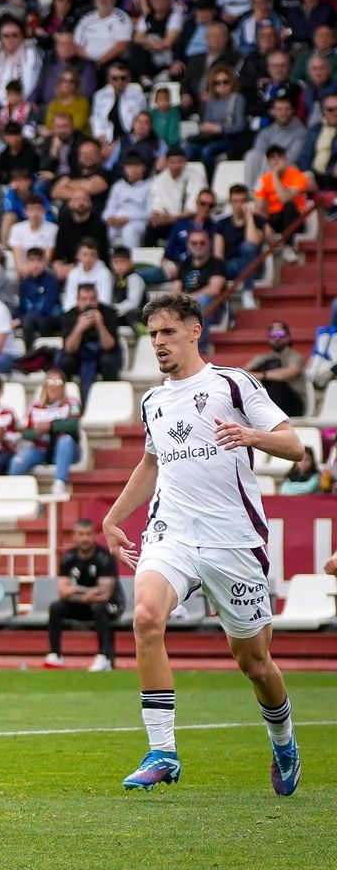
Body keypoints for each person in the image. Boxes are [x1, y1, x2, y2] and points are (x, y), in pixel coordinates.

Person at [101, 292, 306, 795]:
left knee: (254, 663)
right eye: (152, 335)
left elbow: (296, 447)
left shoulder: (233, 384)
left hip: (232, 541)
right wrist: (113, 517)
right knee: (146, 617)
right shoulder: (153, 400)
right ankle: (162, 752)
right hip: (172, 531)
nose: (159, 343)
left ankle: (283, 739)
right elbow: (151, 463)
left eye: (168, 332)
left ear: (195, 331)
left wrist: (251, 436)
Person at [45, 518, 124, 672]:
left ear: (94, 535)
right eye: (81, 534)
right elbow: (62, 591)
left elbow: (104, 594)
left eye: (89, 534)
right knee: (56, 608)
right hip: (83, 602)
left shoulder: (105, 558)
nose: (85, 538)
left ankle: (104, 657)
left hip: (111, 605)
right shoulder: (68, 558)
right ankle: (55, 654)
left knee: (98, 607)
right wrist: (86, 593)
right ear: (74, 536)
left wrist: (75, 590)